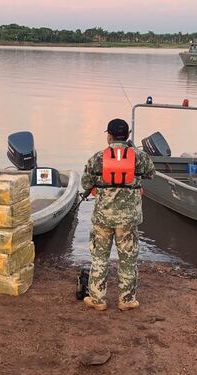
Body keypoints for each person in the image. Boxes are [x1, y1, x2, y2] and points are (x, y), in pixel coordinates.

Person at [80, 118, 155, 311]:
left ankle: (97, 300)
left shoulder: (98, 157)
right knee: (128, 260)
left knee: (99, 258)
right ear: (128, 135)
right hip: (128, 220)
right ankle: (127, 300)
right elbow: (151, 173)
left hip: (103, 218)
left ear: (109, 136)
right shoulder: (139, 157)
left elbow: (86, 183)